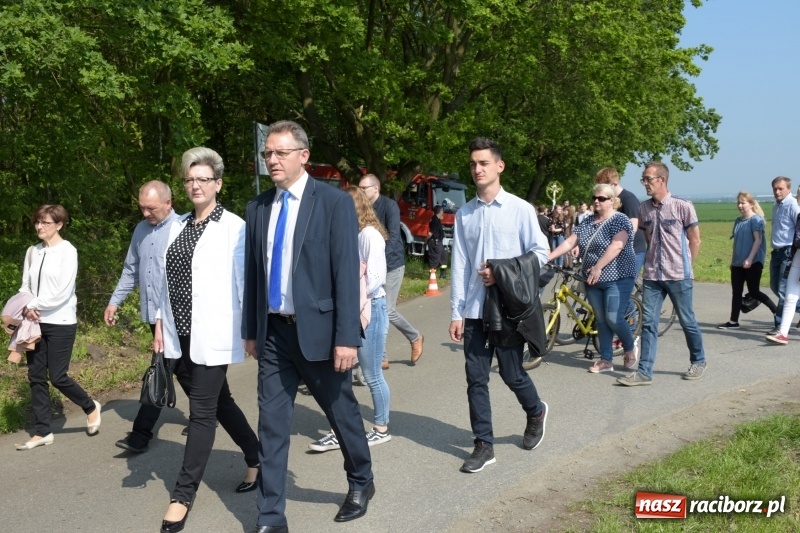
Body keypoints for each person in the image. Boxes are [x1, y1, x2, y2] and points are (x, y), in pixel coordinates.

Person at [243, 120, 374, 531]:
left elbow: (346, 274)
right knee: (271, 423)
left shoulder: (333, 203)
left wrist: (347, 337)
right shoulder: (258, 206)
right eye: (268, 153)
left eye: (280, 152)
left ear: (304, 156)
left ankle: (361, 480)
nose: (272, 160)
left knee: (341, 412)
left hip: (320, 331)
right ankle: (271, 517)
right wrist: (251, 329)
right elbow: (253, 273)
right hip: (273, 334)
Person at [154, 147, 259, 533]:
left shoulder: (234, 226)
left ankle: (182, 496)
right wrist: (159, 326)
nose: (195, 185)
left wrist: (250, 332)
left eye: (203, 179)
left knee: (201, 412)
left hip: (213, 333)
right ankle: (256, 454)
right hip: (177, 336)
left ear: (217, 183)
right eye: (189, 179)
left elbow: (244, 284)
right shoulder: (177, 225)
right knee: (222, 402)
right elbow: (164, 283)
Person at [449, 137, 549, 473]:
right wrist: (456, 312)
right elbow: (461, 263)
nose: (477, 169)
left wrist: (502, 271)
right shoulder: (464, 214)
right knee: (475, 378)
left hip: (507, 311)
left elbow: (541, 253)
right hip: (476, 311)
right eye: (473, 164)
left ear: (499, 166)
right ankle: (483, 445)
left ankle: (535, 411)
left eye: (484, 163)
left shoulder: (520, 209)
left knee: (511, 372)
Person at [309, 187, 392, 452]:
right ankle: (340, 429)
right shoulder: (352, 234)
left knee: (371, 374)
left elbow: (376, 277)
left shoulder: (369, 235)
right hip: (352, 309)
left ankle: (381, 427)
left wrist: (349, 297)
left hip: (371, 307)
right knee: (342, 372)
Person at [14, 205, 102, 450]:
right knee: (36, 376)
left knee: (59, 376)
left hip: (61, 322)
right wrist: (25, 305)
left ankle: (90, 406)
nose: (40, 227)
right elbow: (25, 286)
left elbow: (62, 292)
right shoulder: (33, 252)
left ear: (59, 225)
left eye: (46, 223)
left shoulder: (68, 251)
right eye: (37, 222)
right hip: (34, 322)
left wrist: (34, 303)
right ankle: (43, 431)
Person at [104, 181, 182, 453]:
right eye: (142, 208)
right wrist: (115, 301)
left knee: (159, 371)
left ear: (168, 203)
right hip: (152, 316)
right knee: (184, 370)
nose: (146, 213)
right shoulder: (140, 230)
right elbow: (130, 270)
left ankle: (140, 436)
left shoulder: (182, 228)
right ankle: (212, 411)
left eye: (151, 208)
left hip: (177, 317)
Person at [617, 162, 707, 386]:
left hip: (678, 274)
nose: (645, 184)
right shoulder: (643, 208)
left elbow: (695, 239)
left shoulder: (682, 205)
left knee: (687, 321)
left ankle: (699, 360)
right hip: (653, 276)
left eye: (648, 179)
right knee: (648, 323)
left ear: (662, 180)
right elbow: (649, 239)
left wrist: (686, 266)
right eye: (643, 180)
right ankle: (644, 372)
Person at [549, 184, 638, 373]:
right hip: (592, 278)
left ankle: (630, 346)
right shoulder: (589, 220)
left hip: (617, 277)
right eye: (594, 198)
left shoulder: (620, 220)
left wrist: (598, 267)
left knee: (613, 317)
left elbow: (616, 246)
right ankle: (606, 360)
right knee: (601, 319)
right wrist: (549, 256)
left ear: (612, 201)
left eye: (601, 198)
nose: (596, 201)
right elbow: (571, 241)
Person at [358, 173, 424, 365]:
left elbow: (394, 237)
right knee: (372, 309)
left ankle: (415, 337)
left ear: (375, 189)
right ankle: (382, 357)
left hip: (392, 264)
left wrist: (377, 262)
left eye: (364, 188)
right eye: (359, 188)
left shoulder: (389, 206)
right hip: (370, 266)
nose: (361, 192)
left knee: (387, 310)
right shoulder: (362, 209)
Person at [719, 192, 776, 329]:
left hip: (753, 261)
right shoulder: (738, 221)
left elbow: (758, 241)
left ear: (751, 204)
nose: (740, 205)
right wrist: (733, 262)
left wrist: (749, 259)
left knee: (754, 291)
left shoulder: (756, 220)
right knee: (736, 292)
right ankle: (733, 321)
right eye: (738, 203)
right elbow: (736, 243)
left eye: (743, 202)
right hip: (738, 263)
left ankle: (776, 311)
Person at [594, 167, 647, 275]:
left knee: (624, 285)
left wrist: (615, 245)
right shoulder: (606, 200)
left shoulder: (628, 199)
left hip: (633, 251)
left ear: (614, 183)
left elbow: (633, 228)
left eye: (604, 186)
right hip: (615, 249)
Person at [767, 176, 800, 334]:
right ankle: (794, 306)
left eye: (780, 188)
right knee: (774, 286)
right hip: (777, 251)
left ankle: (780, 326)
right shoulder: (776, 206)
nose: (777, 191)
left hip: (788, 251)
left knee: (782, 289)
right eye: (775, 188)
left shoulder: (793, 205)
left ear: (788, 189)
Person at [426, 204, 447, 278]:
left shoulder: (437, 219)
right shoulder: (434, 220)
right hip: (435, 242)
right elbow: (431, 233)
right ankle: (432, 276)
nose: (443, 212)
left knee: (443, 257)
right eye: (442, 210)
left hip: (439, 242)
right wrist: (426, 240)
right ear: (440, 211)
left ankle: (443, 275)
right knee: (434, 260)